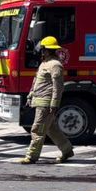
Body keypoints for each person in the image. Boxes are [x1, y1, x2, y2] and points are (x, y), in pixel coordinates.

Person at [19, 36, 74, 164]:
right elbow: (36, 82)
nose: (40, 51)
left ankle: (31, 156)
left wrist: (54, 104)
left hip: (46, 103)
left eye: (43, 49)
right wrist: (30, 96)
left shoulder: (55, 65)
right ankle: (67, 150)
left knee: (37, 129)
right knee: (51, 129)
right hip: (39, 101)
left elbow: (58, 87)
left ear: (48, 50)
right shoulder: (44, 63)